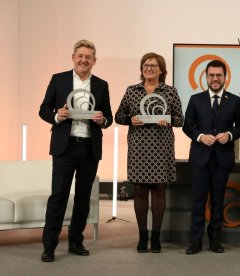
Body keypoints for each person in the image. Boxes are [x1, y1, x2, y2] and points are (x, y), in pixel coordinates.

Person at [39, 39, 113, 262]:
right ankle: (49, 246)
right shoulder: (58, 79)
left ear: (94, 61)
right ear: (73, 57)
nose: (84, 60)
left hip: (89, 148)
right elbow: (43, 109)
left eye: (88, 57)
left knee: (83, 198)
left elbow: (108, 116)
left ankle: (75, 242)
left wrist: (103, 120)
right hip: (65, 147)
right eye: (80, 56)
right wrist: (56, 116)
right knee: (58, 196)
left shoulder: (101, 85)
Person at [115, 52, 184, 253]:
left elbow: (180, 120)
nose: (149, 69)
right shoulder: (132, 91)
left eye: (153, 66)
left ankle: (156, 237)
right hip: (139, 147)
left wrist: (168, 119)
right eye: (145, 65)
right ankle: (142, 236)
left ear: (161, 70)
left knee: (159, 190)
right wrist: (131, 119)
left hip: (161, 146)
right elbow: (119, 116)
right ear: (141, 69)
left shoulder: (170, 92)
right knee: (139, 191)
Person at [183, 60, 240, 254]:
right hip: (199, 159)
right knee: (198, 201)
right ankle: (195, 241)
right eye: (211, 75)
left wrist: (230, 135)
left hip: (223, 158)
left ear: (225, 77)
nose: (215, 79)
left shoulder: (234, 100)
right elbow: (187, 126)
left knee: (218, 201)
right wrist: (201, 137)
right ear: (206, 77)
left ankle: (215, 240)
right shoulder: (196, 99)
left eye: (219, 75)